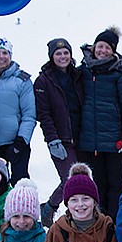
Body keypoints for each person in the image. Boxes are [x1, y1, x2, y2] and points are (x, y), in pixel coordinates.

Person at [79, 27, 122, 213]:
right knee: (97, 183)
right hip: (90, 139)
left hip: (114, 139)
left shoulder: (119, 72)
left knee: (117, 183)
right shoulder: (83, 71)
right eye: (100, 46)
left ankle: (118, 221)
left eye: (107, 48)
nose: (102, 51)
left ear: (113, 51)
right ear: (94, 47)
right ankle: (100, 222)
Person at [34, 37, 84, 224]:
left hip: (82, 135)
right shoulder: (44, 80)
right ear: (51, 56)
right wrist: (52, 139)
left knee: (83, 178)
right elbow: (44, 113)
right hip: (61, 139)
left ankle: (80, 213)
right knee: (69, 180)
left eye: (66, 53)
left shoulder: (77, 75)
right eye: (58, 53)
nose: (62, 56)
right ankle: (50, 207)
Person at [0, 38, 36, 184]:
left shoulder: (22, 80)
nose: (1, 57)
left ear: (10, 55)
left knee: (19, 181)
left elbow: (29, 115)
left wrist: (21, 142)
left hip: (15, 142)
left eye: (5, 53)